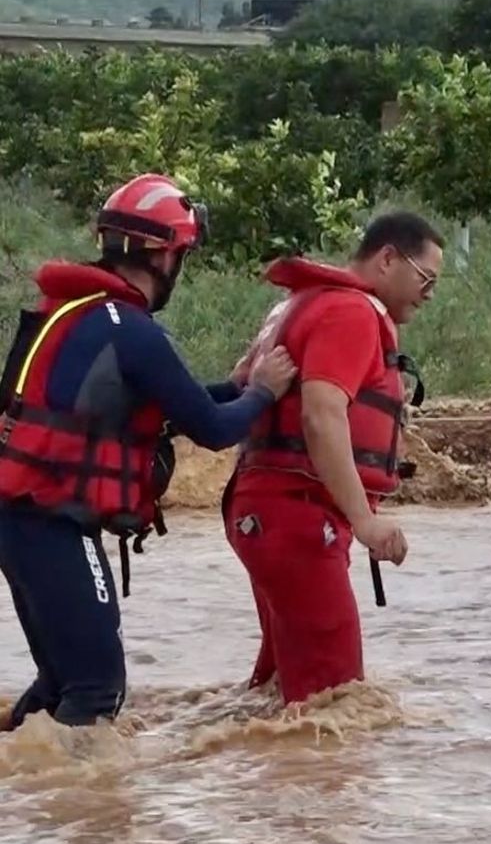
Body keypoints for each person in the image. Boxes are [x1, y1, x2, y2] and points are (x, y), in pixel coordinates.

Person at [0, 173, 297, 731]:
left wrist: (238, 386)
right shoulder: (133, 330)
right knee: (97, 691)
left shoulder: (78, 312)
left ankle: (27, 804)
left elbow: (171, 407)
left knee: (60, 684)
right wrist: (264, 393)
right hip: (52, 523)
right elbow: (211, 429)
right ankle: (81, 814)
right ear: (163, 257)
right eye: (181, 254)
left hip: (21, 520)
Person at [223, 211, 442, 707]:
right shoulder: (351, 312)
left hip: (266, 514)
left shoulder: (299, 305)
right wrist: (364, 520)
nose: (429, 294)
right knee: (334, 703)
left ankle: (233, 776)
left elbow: (240, 378)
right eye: (426, 278)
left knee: (283, 694)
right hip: (296, 517)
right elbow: (321, 415)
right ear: (388, 258)